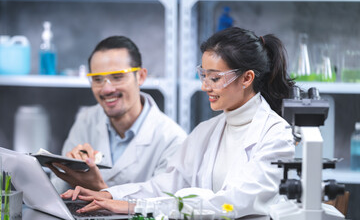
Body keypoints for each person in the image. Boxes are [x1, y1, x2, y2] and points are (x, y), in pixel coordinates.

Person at [61, 27, 296, 218]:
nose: (205, 86)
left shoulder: (276, 135)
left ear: (247, 78)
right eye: (203, 75)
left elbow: (233, 204)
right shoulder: (207, 131)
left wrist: (135, 207)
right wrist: (110, 195)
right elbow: (165, 185)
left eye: (215, 78)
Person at [49, 36, 187, 193]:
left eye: (117, 77)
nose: (107, 89)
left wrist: (100, 190)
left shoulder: (173, 140)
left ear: (141, 76)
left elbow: (163, 206)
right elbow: (59, 186)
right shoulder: (86, 120)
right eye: (97, 79)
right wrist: (68, 171)